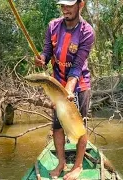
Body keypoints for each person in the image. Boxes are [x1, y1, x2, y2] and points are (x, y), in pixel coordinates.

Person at [34, 0, 95, 179]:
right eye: (63, 5)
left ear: (80, 4)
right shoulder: (53, 26)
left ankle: (77, 166)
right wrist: (42, 59)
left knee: (79, 126)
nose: (65, 9)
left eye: (69, 5)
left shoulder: (87, 32)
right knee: (58, 126)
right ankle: (61, 162)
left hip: (80, 85)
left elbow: (77, 66)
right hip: (57, 84)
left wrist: (68, 91)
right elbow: (47, 52)